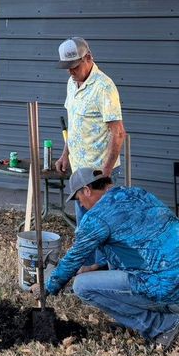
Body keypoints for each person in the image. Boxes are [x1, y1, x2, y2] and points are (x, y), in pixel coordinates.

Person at [33, 168, 179, 351]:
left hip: (169, 289)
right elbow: (136, 245)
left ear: (87, 190)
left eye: (78, 199)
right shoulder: (137, 194)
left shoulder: (97, 217)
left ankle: (162, 325)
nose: (81, 206)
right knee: (112, 264)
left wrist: (48, 287)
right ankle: (144, 316)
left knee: (82, 286)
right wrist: (97, 267)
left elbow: (74, 258)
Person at [53, 37, 125, 222]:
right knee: (85, 226)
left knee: (102, 226)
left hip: (98, 172)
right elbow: (74, 123)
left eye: (75, 66)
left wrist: (106, 174)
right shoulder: (72, 83)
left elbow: (118, 133)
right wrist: (65, 155)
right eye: (67, 67)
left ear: (88, 58)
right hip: (79, 171)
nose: (71, 71)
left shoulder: (104, 87)